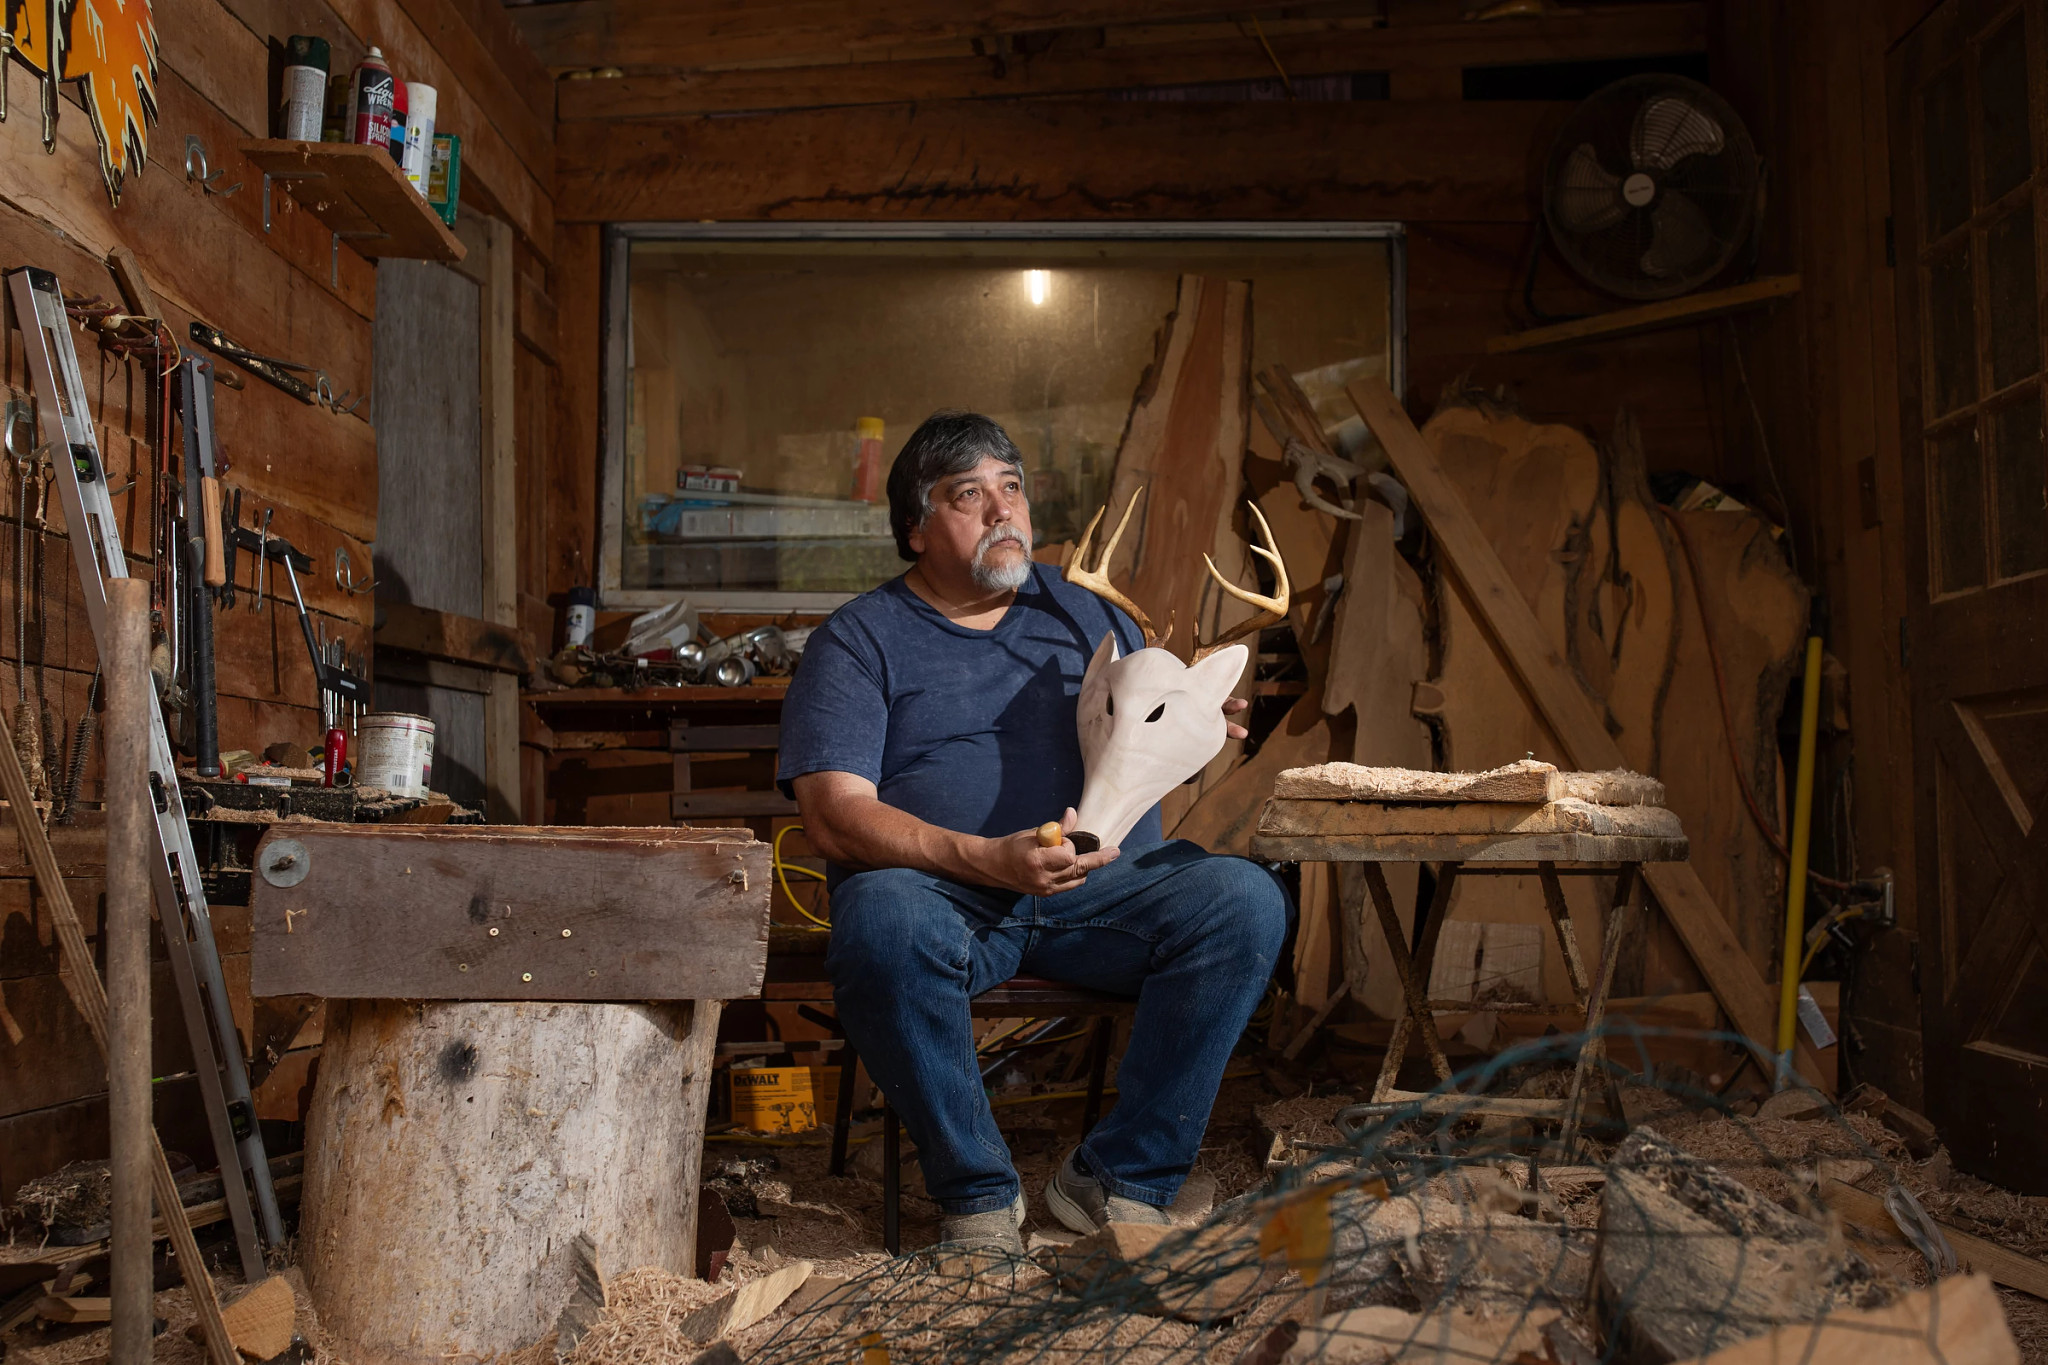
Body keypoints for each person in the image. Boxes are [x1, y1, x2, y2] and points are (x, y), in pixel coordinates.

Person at [776, 410, 1291, 1255]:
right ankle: (977, 1192)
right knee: (881, 922)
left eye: (1011, 488)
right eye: (967, 495)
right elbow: (834, 814)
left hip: (1103, 882)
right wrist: (987, 858)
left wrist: (1193, 726)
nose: (1001, 511)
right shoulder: (858, 639)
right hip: (947, 895)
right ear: (914, 527)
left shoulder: (1087, 613)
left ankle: (1122, 1177)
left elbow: (1136, 739)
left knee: (1243, 899)